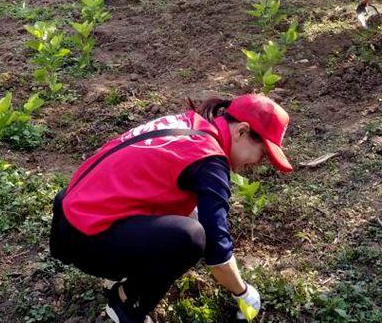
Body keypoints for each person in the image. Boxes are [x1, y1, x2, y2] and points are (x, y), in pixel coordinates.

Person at [50, 94, 292, 323]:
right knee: (191, 238)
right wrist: (243, 292)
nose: (257, 164)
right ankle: (126, 302)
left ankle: (118, 267)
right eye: (262, 154)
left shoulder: (189, 125)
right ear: (242, 131)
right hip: (87, 240)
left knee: (189, 218)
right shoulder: (210, 160)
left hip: (69, 218)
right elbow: (217, 253)